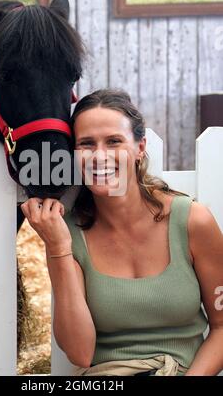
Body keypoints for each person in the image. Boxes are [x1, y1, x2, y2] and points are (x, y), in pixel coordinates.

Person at [21, 89, 223, 376]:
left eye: (114, 142)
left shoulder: (192, 221)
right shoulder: (68, 235)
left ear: (140, 148)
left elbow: (222, 326)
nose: (99, 156)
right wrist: (58, 249)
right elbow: (80, 352)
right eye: (87, 144)